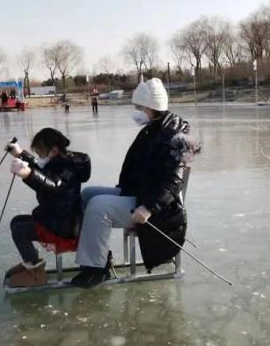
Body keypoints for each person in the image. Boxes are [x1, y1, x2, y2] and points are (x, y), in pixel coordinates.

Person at [72, 78, 201, 288]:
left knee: (98, 207)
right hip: (140, 193)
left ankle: (96, 269)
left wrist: (149, 207)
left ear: (151, 107)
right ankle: (99, 254)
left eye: (139, 107)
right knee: (88, 195)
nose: (137, 111)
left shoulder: (175, 137)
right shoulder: (153, 129)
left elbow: (174, 180)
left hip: (158, 209)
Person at [6, 128, 91, 287]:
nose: (40, 158)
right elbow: (41, 169)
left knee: (20, 230)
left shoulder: (65, 169)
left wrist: (28, 174)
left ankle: (35, 274)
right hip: (57, 219)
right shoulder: (59, 162)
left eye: (40, 154)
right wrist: (20, 154)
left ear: (53, 150)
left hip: (62, 227)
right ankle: (31, 263)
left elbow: (52, 184)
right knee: (16, 221)